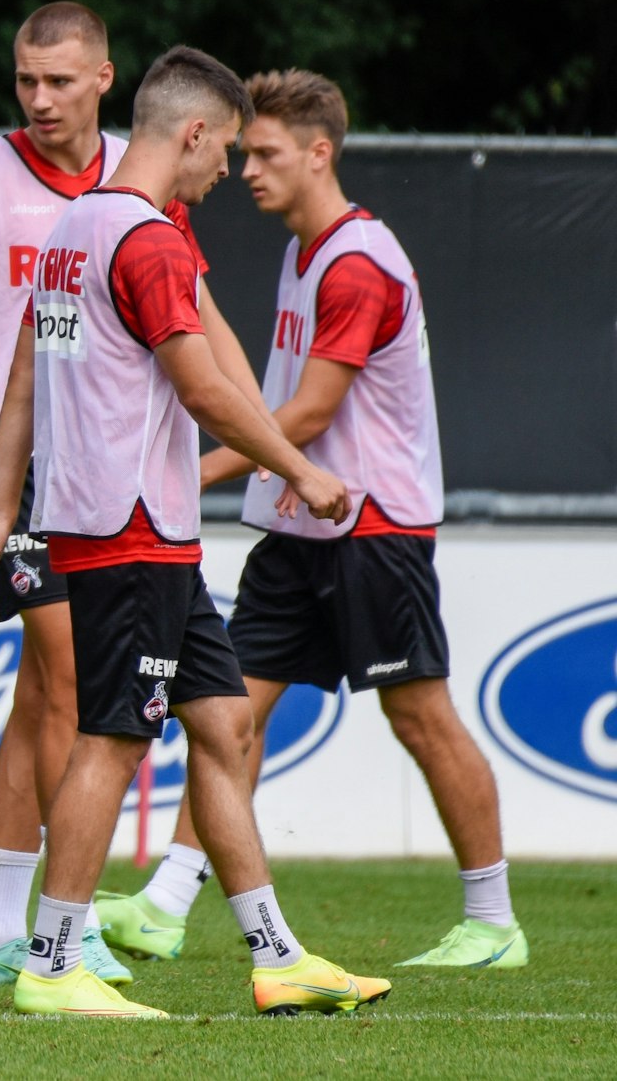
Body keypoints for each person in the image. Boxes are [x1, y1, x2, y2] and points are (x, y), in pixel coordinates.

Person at [0, 46, 392, 1017]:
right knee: (110, 741)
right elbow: (202, 389)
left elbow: (21, 378)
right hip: (127, 532)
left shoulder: (71, 228)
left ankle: (274, 956)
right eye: (223, 149)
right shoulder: (142, 242)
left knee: (222, 731)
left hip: (143, 535)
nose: (225, 171)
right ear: (190, 134)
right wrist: (301, 469)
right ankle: (51, 962)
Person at [0, 1, 263, 988]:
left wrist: (262, 431)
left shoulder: (150, 169)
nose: (37, 100)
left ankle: (2, 928)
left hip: (105, 466)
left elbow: (199, 320)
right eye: (22, 81)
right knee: (69, 679)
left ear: (101, 77)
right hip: (10, 460)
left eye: (57, 81)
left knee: (43, 694)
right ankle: (64, 927)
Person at [95, 69, 527, 971]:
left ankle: (493, 919)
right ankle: (168, 903)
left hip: (373, 527)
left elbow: (306, 415)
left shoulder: (359, 262)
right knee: (224, 715)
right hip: (296, 529)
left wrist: (189, 471)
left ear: (319, 153)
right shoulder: (304, 251)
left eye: (267, 153)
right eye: (244, 151)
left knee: (421, 718)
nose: (248, 168)